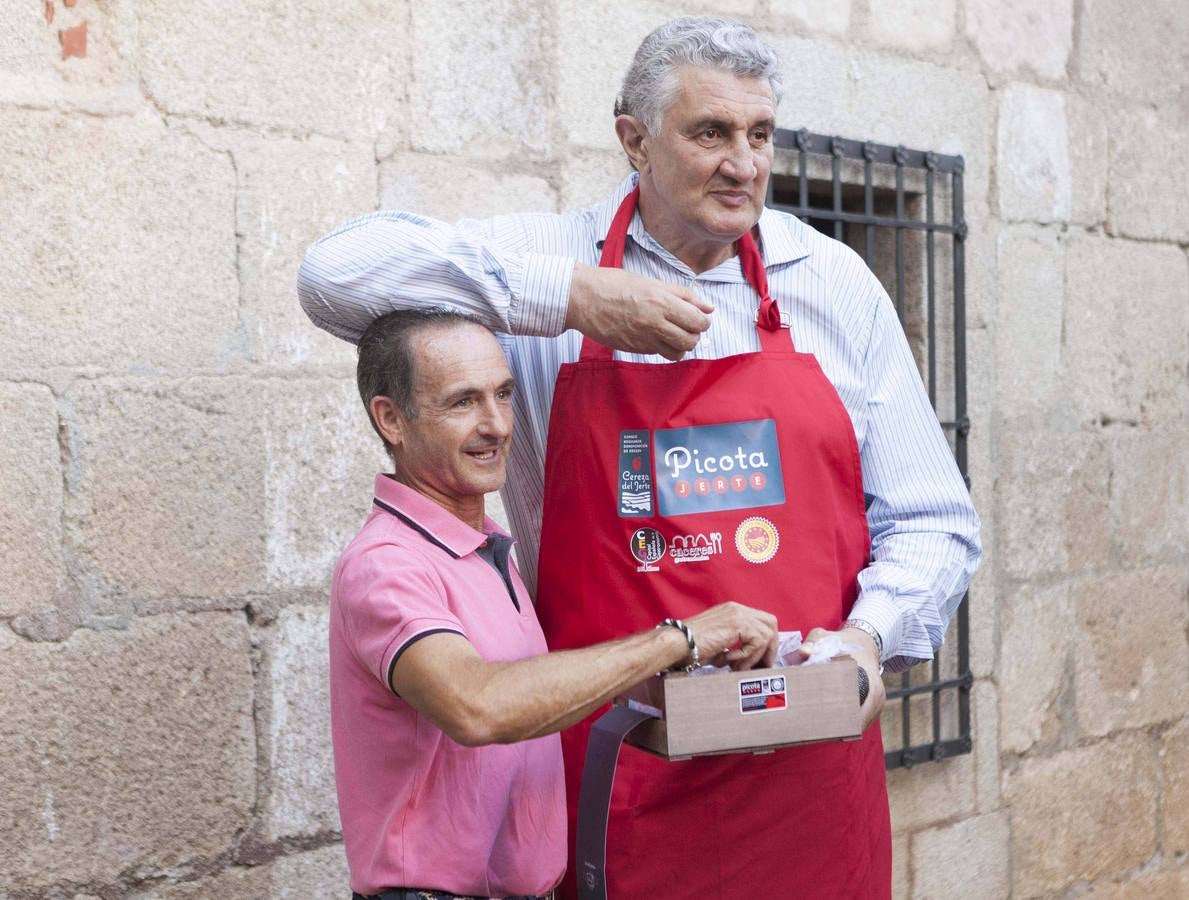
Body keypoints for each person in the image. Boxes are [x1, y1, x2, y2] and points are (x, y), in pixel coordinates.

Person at [303, 16, 981, 898]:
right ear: (634, 140)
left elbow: (933, 519)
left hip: (809, 781)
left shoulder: (834, 283)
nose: (744, 164)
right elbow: (333, 273)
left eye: (761, 135)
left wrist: (866, 639)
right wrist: (569, 298)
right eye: (710, 133)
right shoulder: (553, 265)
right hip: (617, 781)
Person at [330, 309, 780, 899]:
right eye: (463, 402)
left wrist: (685, 676)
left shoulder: (486, 548)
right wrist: (679, 637)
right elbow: (478, 706)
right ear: (391, 419)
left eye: (504, 394)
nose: (496, 424)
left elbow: (529, 696)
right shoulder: (387, 564)